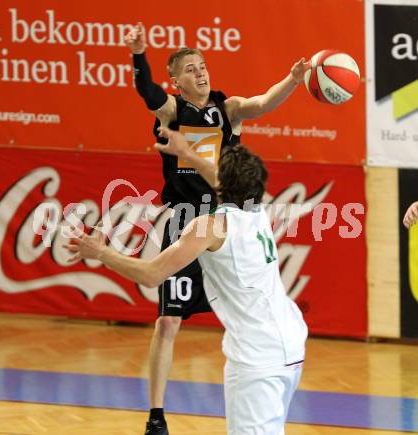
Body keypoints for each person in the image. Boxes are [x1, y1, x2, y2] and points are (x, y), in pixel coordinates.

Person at [125, 22, 309, 434]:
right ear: (176, 79)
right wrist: (139, 55)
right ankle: (157, 416)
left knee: (247, 303)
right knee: (168, 321)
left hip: (228, 220)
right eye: (189, 69)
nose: (200, 72)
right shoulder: (173, 111)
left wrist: (293, 80)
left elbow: (263, 103)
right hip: (188, 220)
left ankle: (261, 365)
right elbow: (149, 94)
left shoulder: (228, 110)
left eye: (203, 65)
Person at [63, 134, 308, 435]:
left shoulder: (209, 227)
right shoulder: (257, 211)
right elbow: (223, 181)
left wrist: (100, 253)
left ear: (221, 187)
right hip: (291, 343)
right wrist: (188, 155)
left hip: (258, 357)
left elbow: (152, 274)